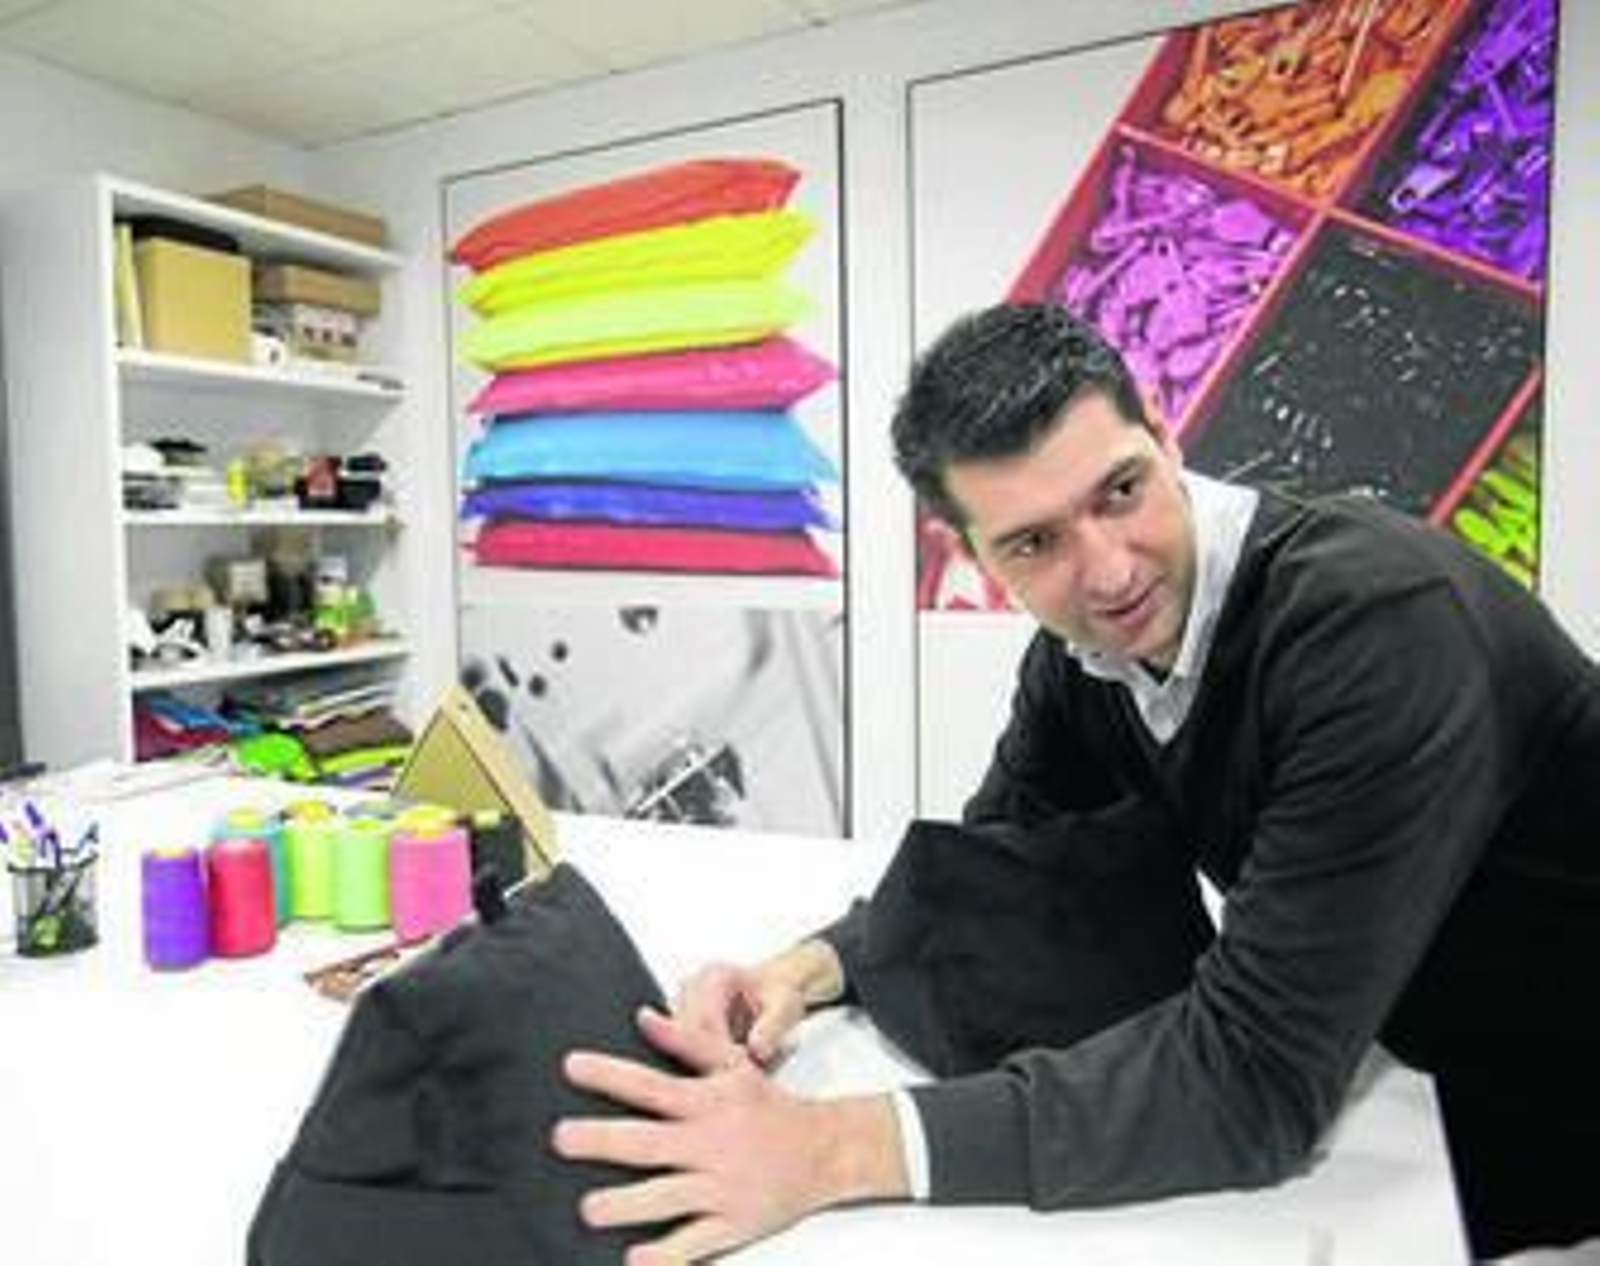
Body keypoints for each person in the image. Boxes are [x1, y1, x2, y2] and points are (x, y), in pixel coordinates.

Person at [552, 302, 1600, 1263]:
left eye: (1120, 491)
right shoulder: (1086, 662)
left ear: (1165, 435)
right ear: (970, 555)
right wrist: (808, 969)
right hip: (1415, 1073)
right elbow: (996, 877)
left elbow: (1253, 1080)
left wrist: (827, 1150)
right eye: (1034, 542)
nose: (1107, 571)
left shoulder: (1377, 628)